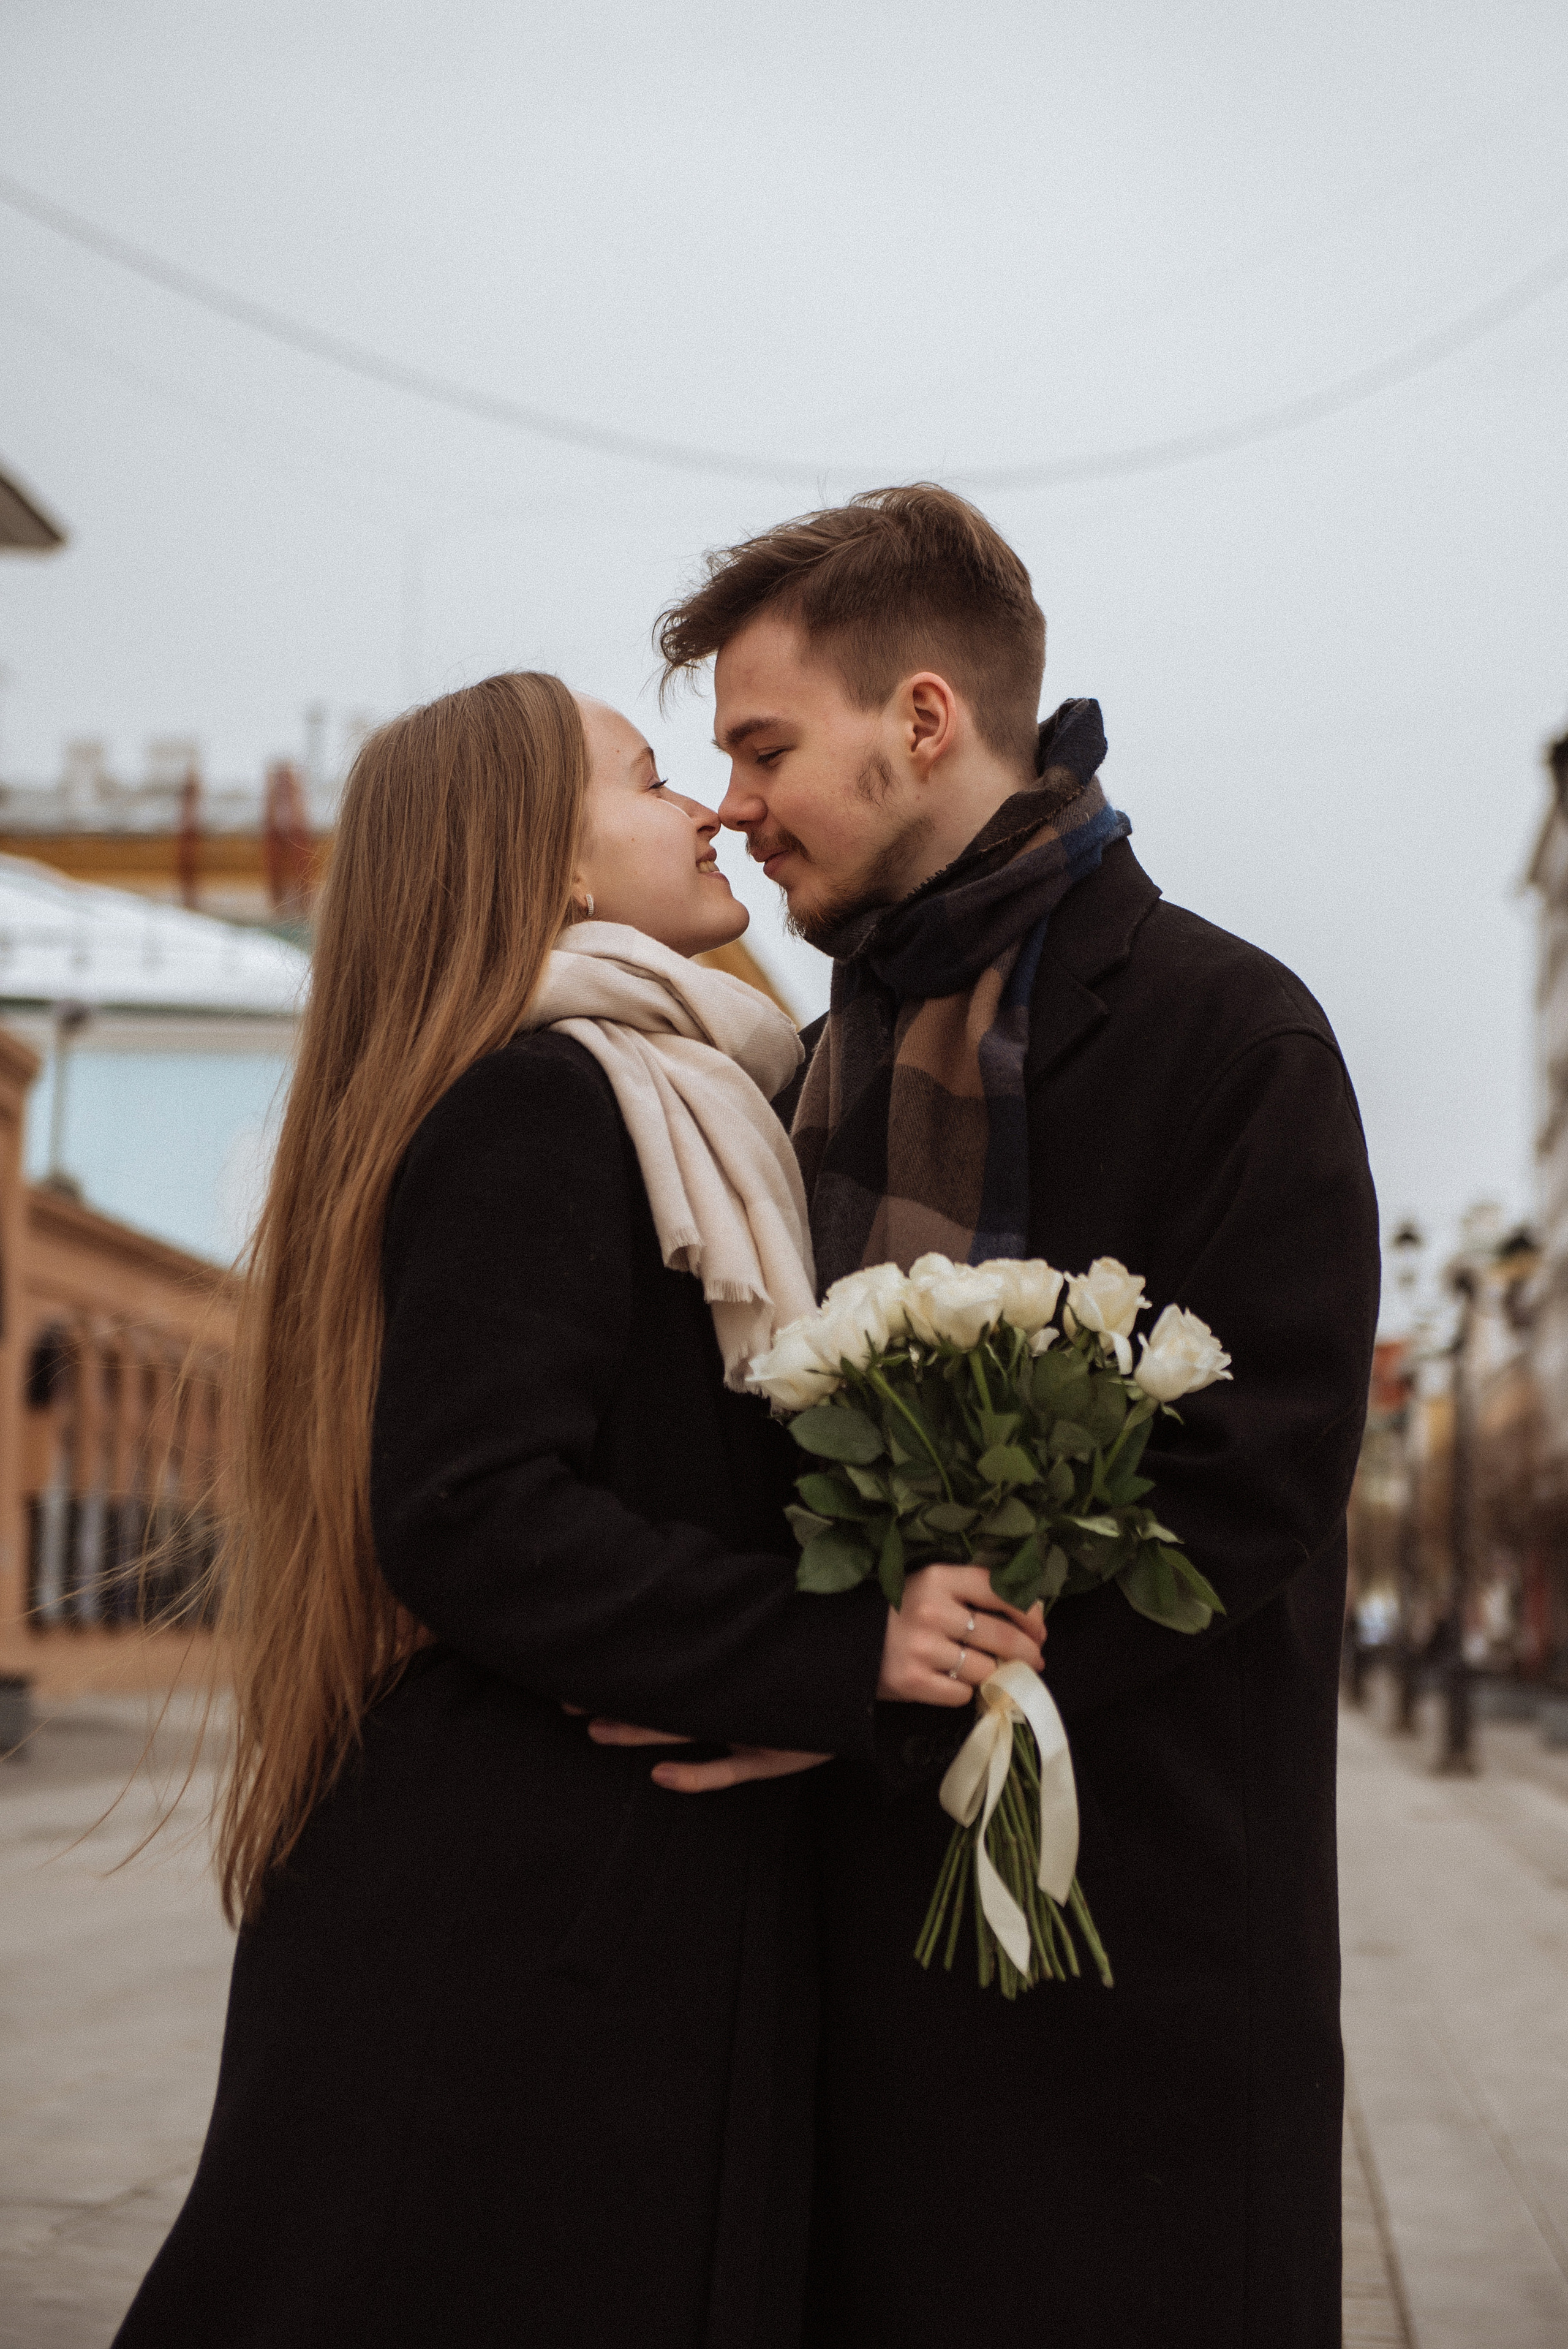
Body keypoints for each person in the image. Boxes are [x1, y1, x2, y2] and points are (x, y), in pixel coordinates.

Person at [111, 671, 1045, 2349]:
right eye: (645, 778)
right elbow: (471, 1510)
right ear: (546, 865)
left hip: (596, 1906)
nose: (706, 805)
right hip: (523, 1930)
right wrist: (836, 1646)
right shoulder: (544, 1102)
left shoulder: (697, 1092)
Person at [654, 485, 1382, 2349]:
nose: (730, 799)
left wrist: (884, 1690)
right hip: (843, 1995)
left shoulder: (1232, 1037)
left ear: (920, 718)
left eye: (760, 743)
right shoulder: (818, 1064)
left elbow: (1247, 1495)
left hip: (1132, 1997)